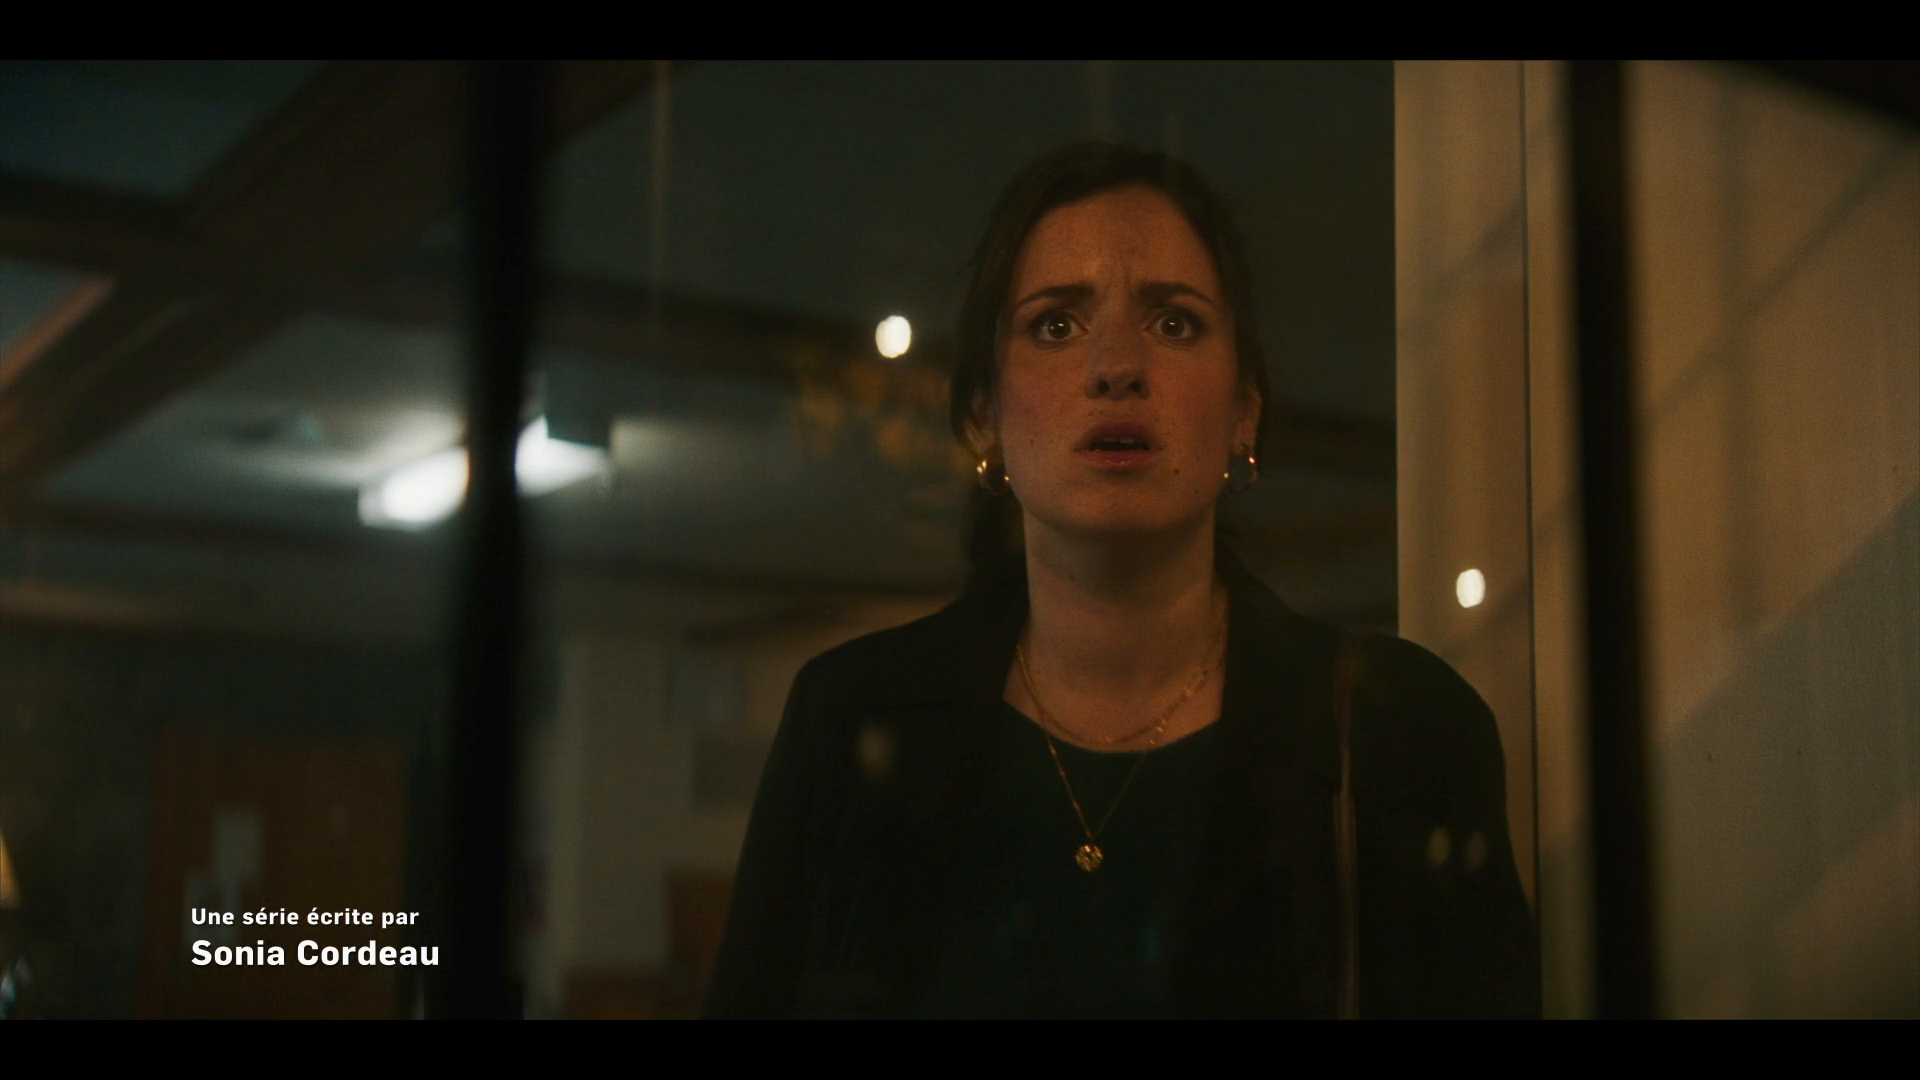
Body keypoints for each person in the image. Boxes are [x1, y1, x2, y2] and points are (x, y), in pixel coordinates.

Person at [704, 143, 1537, 1018]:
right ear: (984, 414)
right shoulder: (853, 720)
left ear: (1244, 409)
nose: (1116, 366)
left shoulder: (1394, 729)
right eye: (1055, 326)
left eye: (1174, 323)